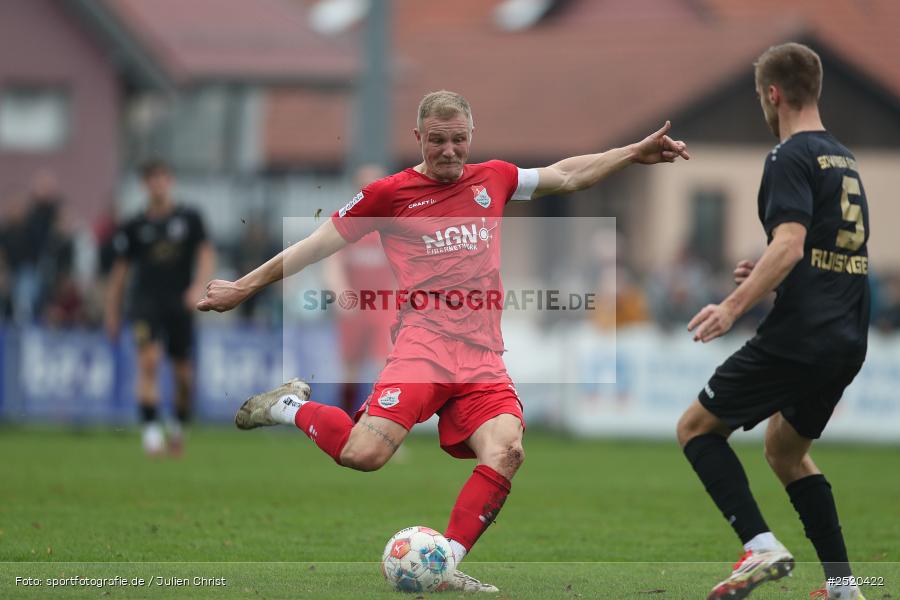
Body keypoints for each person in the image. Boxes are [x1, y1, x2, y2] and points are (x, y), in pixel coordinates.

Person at [198, 90, 688, 592]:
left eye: (458, 140)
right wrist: (244, 285)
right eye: (437, 141)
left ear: (470, 136)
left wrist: (630, 153)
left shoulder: (493, 177)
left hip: (481, 359)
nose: (449, 150)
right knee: (362, 455)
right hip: (422, 349)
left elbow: (565, 174)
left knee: (507, 450)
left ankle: (442, 564)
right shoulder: (387, 195)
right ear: (418, 138)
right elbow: (313, 246)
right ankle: (285, 406)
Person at [675, 43, 869, 600]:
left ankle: (760, 547)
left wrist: (733, 306)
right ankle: (844, 587)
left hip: (801, 334)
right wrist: (772, 269)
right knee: (784, 450)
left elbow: (791, 242)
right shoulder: (844, 158)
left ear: (773, 94)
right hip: (846, 336)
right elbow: (824, 253)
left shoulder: (789, 157)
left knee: (695, 429)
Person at [106, 159, 215, 457]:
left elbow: (206, 255)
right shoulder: (133, 226)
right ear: (145, 185)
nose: (158, 184)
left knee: (182, 376)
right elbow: (120, 274)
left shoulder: (190, 218)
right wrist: (112, 313)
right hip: (145, 304)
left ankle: (178, 427)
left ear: (170, 181)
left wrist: (198, 287)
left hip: (180, 304)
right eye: (152, 179)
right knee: (149, 362)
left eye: (162, 178)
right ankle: (152, 434)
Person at [322, 164, 397, 415]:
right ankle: (346, 424)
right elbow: (332, 265)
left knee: (384, 367)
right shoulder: (346, 223)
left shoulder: (393, 226)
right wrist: (341, 295)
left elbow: (407, 268)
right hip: (353, 308)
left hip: (383, 308)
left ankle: (380, 427)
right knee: (350, 368)